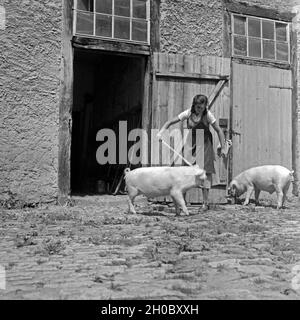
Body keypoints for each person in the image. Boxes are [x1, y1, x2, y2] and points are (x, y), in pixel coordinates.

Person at [157, 94, 226, 211]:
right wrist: (162, 131)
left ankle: (205, 203)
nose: (199, 109)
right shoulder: (188, 113)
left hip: (205, 143)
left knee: (205, 173)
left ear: (205, 106)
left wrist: (223, 147)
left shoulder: (208, 115)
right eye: (197, 106)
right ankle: (182, 202)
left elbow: (219, 130)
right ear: (194, 105)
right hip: (191, 143)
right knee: (185, 171)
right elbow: (170, 121)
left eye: (201, 107)